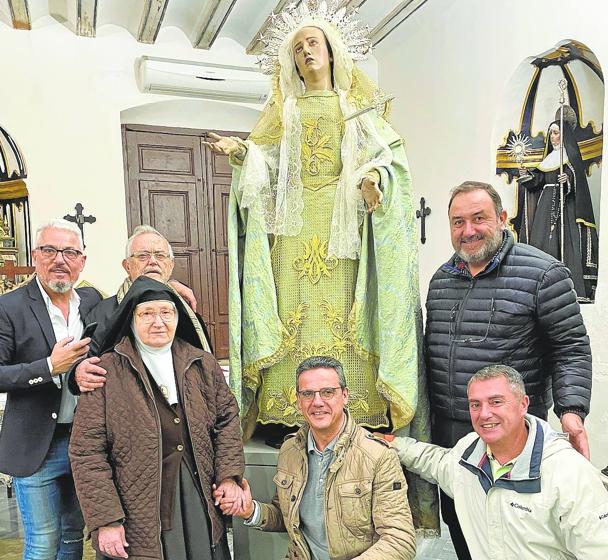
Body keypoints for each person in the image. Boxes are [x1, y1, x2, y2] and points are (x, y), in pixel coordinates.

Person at [205, 2, 426, 443]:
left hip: (345, 229)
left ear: (331, 53)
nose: (307, 51)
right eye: (299, 46)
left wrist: (373, 180)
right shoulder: (283, 113)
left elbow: (389, 159)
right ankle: (287, 412)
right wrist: (243, 153)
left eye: (314, 43)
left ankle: (358, 406)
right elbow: (266, 164)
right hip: (293, 226)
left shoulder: (358, 108)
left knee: (349, 308)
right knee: (291, 311)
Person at [426, 181, 592, 559]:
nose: (467, 231)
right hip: (453, 437)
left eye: (478, 218)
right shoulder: (441, 281)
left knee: (518, 538)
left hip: (512, 438)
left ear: (502, 218)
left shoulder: (544, 274)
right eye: (457, 222)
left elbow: (571, 348)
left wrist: (571, 411)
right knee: (465, 528)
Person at [69, 276, 244, 559]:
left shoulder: (202, 364)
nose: (158, 322)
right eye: (147, 313)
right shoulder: (106, 371)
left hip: (197, 496)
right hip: (135, 507)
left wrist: (229, 477)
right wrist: (105, 520)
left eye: (166, 312)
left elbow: (227, 420)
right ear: (131, 319)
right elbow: (86, 452)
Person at [389, 365, 608, 559]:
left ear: (523, 404)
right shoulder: (468, 455)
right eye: (475, 404)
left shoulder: (569, 473)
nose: (484, 414)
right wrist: (392, 443)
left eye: (496, 401)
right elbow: (435, 461)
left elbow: (605, 553)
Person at [216, 355, 417, 560]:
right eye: (308, 394)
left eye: (328, 392)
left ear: (345, 395)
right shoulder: (290, 450)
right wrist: (251, 510)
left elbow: (399, 540)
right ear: (298, 400)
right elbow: (286, 515)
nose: (317, 402)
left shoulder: (378, 457)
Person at [0, 219, 102, 559]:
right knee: (43, 542)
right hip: (37, 446)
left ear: (82, 261)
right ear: (35, 255)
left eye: (70, 252)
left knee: (73, 536)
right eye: (50, 250)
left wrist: (171, 287)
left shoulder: (91, 301)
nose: (60, 259)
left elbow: (133, 300)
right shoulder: (10, 307)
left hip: (84, 441)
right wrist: (48, 367)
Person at [69, 224, 211, 394]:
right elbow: (86, 367)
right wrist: (78, 373)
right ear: (127, 265)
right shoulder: (103, 313)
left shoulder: (185, 310)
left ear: (171, 265)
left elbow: (204, 366)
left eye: (160, 255)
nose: (153, 261)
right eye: (143, 256)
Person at [517, 111, 598, 302]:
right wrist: (527, 175)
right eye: (551, 133)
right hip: (544, 208)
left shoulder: (570, 158)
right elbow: (538, 181)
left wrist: (567, 179)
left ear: (565, 134)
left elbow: (578, 180)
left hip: (565, 208)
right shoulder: (549, 159)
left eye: (557, 132)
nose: (554, 137)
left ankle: (567, 287)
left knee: (564, 244)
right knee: (542, 244)